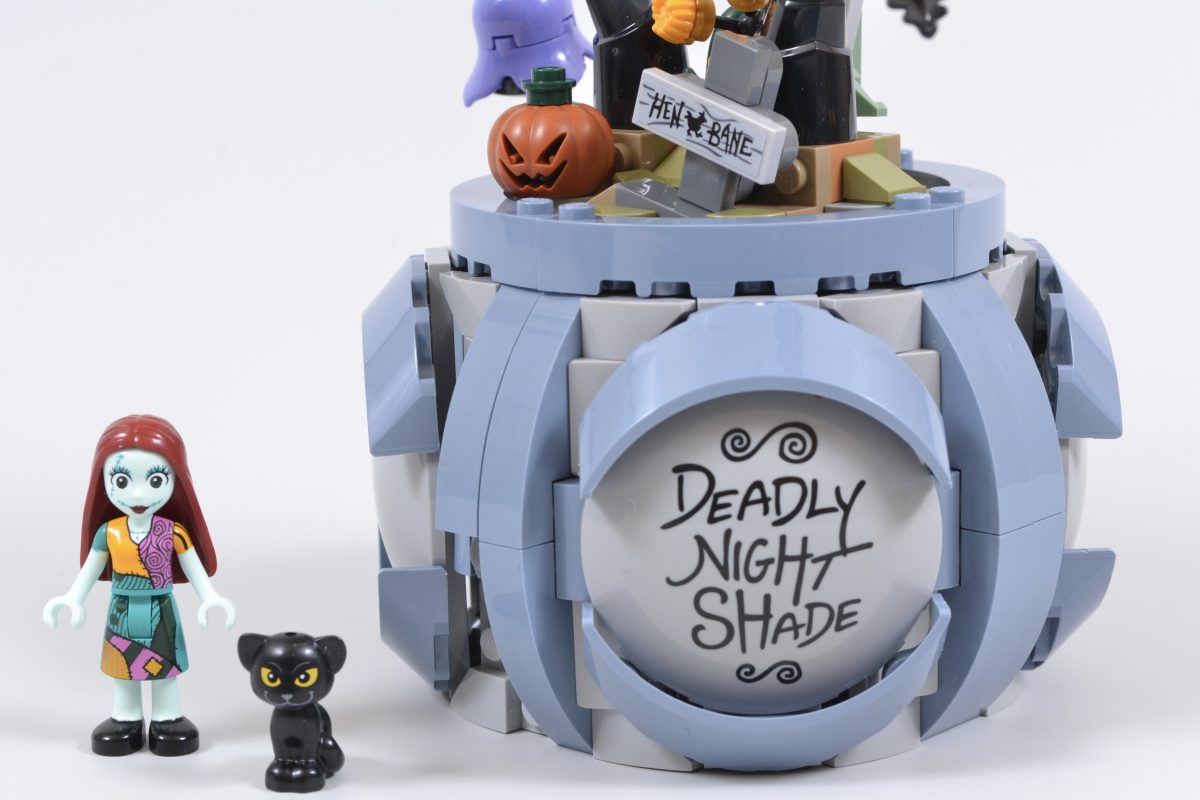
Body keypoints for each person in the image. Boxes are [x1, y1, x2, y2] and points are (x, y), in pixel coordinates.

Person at [43, 415, 235, 756]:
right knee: (123, 666)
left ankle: (167, 717)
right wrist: (73, 598)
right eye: (121, 480)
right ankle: (126, 717)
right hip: (121, 607)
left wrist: (210, 597)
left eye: (156, 480)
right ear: (102, 481)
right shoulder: (109, 533)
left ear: (177, 478)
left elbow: (193, 568)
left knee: (165, 667)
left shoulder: (173, 532)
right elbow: (90, 568)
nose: (138, 494)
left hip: (161, 606)